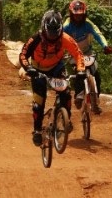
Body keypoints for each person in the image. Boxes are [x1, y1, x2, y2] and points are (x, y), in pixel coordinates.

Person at [19, 10, 86, 146]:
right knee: (39, 103)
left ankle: (65, 118)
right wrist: (28, 68)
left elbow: (78, 54)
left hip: (56, 68)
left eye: (55, 32)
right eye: (50, 32)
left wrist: (80, 70)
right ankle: (37, 131)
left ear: (60, 29)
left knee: (66, 93)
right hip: (37, 70)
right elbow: (23, 55)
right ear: (44, 28)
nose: (52, 35)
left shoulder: (65, 38)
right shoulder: (36, 38)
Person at [63, 0, 112, 114]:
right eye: (76, 15)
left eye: (81, 15)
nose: (78, 18)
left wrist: (105, 46)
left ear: (84, 14)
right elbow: (61, 39)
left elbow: (98, 34)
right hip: (73, 54)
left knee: (97, 76)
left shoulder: (88, 24)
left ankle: (95, 101)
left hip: (88, 53)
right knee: (79, 74)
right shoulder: (66, 26)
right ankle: (79, 96)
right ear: (71, 14)